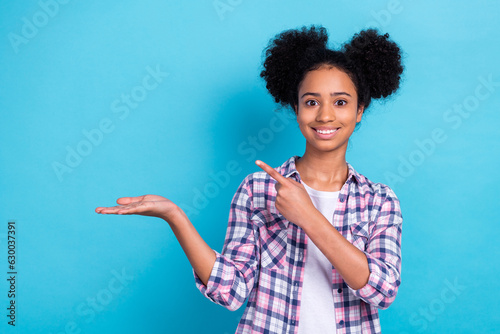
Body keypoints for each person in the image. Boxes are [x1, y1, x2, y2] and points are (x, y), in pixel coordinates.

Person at [96, 25, 404, 334]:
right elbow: (230, 291)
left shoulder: (379, 201)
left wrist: (309, 217)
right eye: (311, 102)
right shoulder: (258, 190)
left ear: (359, 110)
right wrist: (174, 216)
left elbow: (383, 290)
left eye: (340, 102)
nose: (325, 115)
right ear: (295, 108)